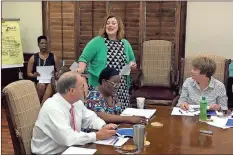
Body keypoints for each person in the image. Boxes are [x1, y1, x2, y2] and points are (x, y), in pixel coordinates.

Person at [31, 71, 117, 154]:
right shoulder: (52, 107)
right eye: (82, 86)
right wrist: (97, 136)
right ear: (72, 91)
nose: (85, 89)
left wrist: (103, 126)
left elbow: (90, 118)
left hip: (73, 149)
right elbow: (68, 138)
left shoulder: (76, 102)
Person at [77, 15, 137, 111]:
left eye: (113, 23)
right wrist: (80, 70)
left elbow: (132, 62)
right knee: (103, 115)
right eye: (108, 23)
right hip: (101, 87)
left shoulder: (125, 43)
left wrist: (132, 65)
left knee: (121, 115)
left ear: (119, 27)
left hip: (120, 87)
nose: (110, 25)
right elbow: (83, 58)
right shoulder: (97, 41)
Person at [27, 35, 60, 104]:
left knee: (50, 85)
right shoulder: (33, 58)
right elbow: (28, 73)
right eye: (42, 43)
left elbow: (58, 72)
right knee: (41, 85)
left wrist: (56, 74)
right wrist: (34, 75)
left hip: (51, 80)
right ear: (38, 45)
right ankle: (37, 104)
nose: (44, 45)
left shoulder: (54, 57)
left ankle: (42, 104)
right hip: (39, 80)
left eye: (45, 43)